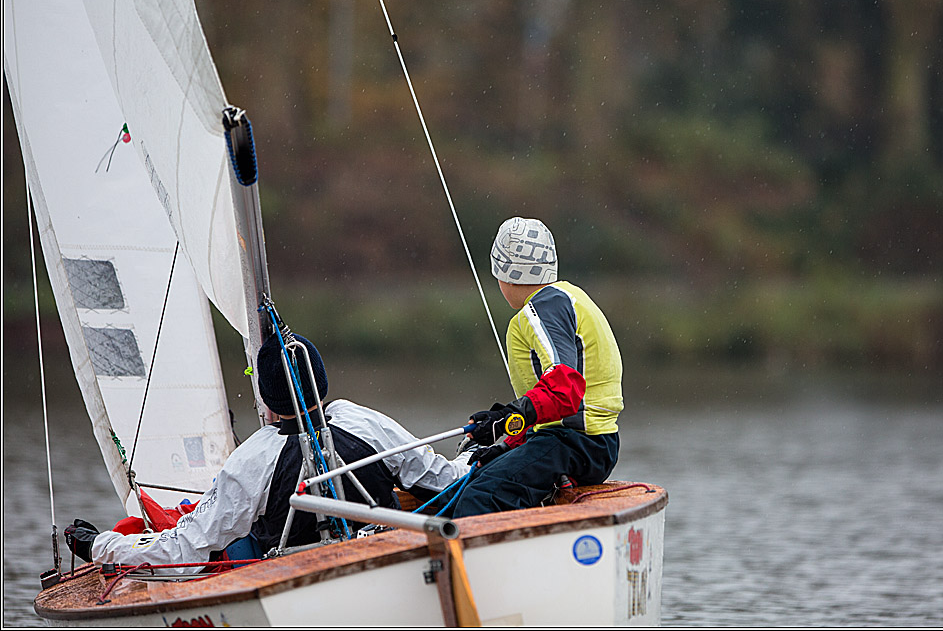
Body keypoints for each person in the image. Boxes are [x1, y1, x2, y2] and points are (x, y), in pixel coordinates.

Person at [64, 334, 471, 570]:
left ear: (267, 398)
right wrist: (478, 450)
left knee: (236, 545)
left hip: (292, 576)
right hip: (386, 559)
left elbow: (186, 546)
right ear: (321, 382)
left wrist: (101, 546)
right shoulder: (363, 421)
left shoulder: (253, 457)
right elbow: (445, 480)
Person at [450, 217, 623, 518]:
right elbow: (548, 408)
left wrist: (507, 417)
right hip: (592, 443)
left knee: (479, 498)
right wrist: (508, 442)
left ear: (504, 273)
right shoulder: (571, 296)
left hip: (576, 444)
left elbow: (565, 389)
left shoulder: (541, 309)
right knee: (474, 477)